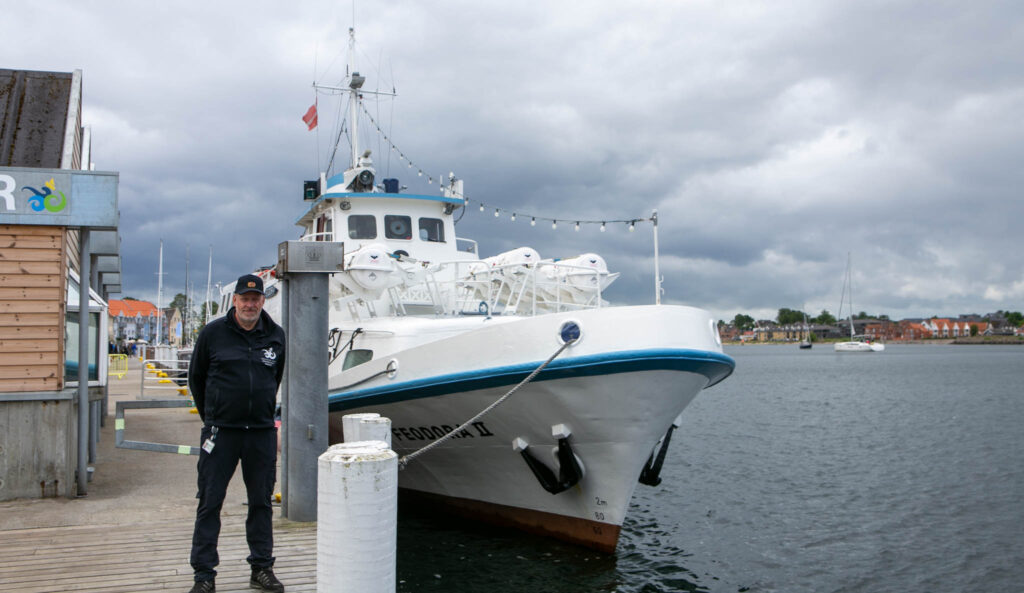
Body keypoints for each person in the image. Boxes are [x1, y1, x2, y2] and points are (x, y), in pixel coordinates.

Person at [187, 273, 286, 593]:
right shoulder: (213, 334)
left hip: (260, 433)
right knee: (210, 502)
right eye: (245, 298)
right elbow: (196, 379)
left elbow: (276, 377)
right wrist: (213, 418)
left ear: (263, 301)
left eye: (255, 299)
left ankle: (261, 567)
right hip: (221, 433)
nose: (250, 304)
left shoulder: (275, 335)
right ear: (235, 300)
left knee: (261, 503)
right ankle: (204, 575)